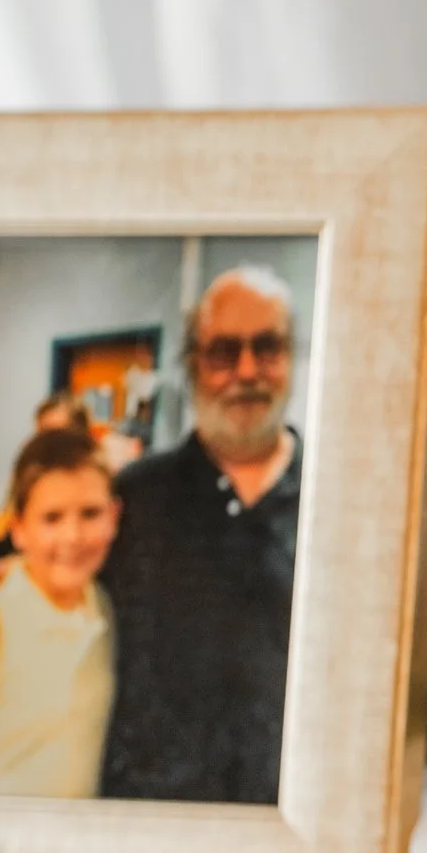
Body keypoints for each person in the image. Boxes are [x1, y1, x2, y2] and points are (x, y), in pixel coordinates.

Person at [97, 265, 302, 804]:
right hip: (149, 815)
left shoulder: (340, 503)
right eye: (223, 352)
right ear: (191, 365)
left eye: (267, 347)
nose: (247, 370)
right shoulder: (133, 497)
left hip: (292, 821)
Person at [0, 429, 119, 796]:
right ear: (18, 529)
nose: (72, 536)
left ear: (114, 515)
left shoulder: (105, 606)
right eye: (52, 518)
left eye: (90, 514)